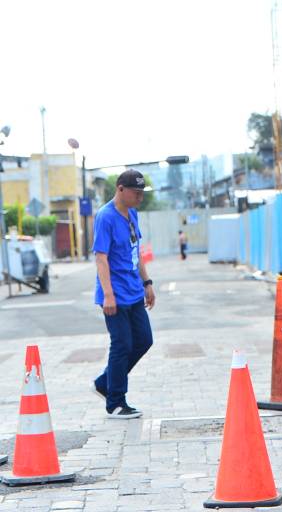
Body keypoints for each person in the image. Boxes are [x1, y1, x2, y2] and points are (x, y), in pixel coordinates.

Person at [92, 169, 156, 419]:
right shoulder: (105, 217)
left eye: (142, 193)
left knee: (144, 340)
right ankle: (115, 402)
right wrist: (108, 294)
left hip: (133, 291)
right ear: (120, 189)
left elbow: (136, 251)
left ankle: (104, 383)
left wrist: (147, 282)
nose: (140, 197)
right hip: (114, 294)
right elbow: (101, 258)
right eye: (136, 193)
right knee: (122, 345)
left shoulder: (132, 214)